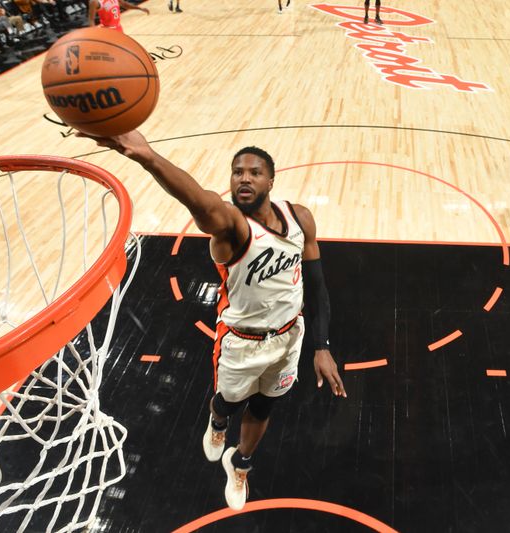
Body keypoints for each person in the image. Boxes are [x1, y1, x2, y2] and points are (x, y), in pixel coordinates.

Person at [80, 130, 346, 511]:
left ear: (271, 180)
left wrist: (322, 346)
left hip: (290, 337)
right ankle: (218, 423)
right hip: (241, 340)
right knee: (229, 400)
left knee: (266, 405)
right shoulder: (231, 225)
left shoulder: (299, 217)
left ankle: (240, 463)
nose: (244, 178)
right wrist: (147, 156)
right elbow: (198, 199)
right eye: (237, 172)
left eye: (255, 172)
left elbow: (317, 286)